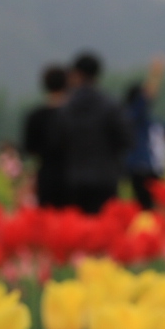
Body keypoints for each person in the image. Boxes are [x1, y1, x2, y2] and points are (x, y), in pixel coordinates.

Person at [53, 52, 131, 214]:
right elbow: (126, 140)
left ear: (76, 75)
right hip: (106, 179)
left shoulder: (66, 109)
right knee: (104, 229)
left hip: (73, 180)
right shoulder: (111, 106)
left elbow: (57, 144)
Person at [121, 56, 165, 208]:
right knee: (147, 206)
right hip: (143, 167)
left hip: (136, 167)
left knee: (143, 204)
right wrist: (155, 74)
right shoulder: (135, 114)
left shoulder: (131, 117)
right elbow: (147, 97)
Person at [20, 64, 70, 208]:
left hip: (46, 176)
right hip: (71, 175)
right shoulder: (74, 116)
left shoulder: (35, 116)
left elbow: (29, 149)